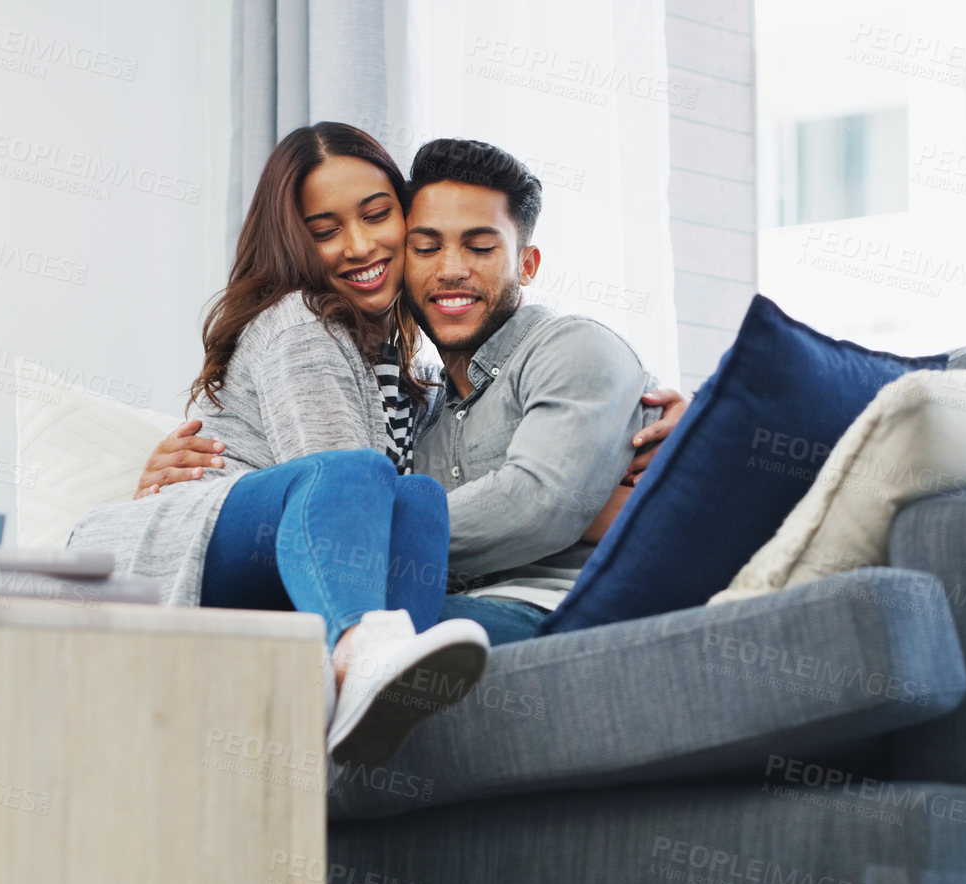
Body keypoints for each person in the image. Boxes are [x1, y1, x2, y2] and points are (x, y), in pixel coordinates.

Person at [135, 138, 686, 643]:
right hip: (447, 601)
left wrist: (695, 435)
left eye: (480, 247)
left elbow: (539, 504)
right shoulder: (419, 408)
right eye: (426, 248)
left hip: (549, 607)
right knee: (331, 631)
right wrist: (182, 490)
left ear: (528, 263)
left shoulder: (572, 348)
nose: (451, 270)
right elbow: (342, 500)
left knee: (362, 637)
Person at [66, 122, 489, 769]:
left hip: (281, 546)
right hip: (203, 540)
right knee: (359, 476)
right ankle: (358, 650)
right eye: (325, 231)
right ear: (293, 241)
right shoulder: (301, 321)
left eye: (377, 215)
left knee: (422, 500)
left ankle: (374, 704)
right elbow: (342, 486)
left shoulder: (402, 366)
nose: (358, 244)